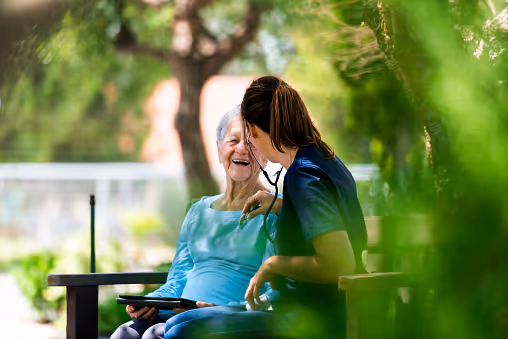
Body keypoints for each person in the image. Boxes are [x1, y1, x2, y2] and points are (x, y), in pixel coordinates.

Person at [111, 105, 279, 339]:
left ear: (265, 156)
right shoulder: (199, 211)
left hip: (230, 320)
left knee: (156, 335)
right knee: (126, 333)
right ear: (219, 149)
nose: (242, 148)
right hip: (179, 315)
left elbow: (274, 289)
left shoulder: (275, 209)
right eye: (233, 140)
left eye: (252, 142)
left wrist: (223, 309)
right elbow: (178, 279)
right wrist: (152, 302)